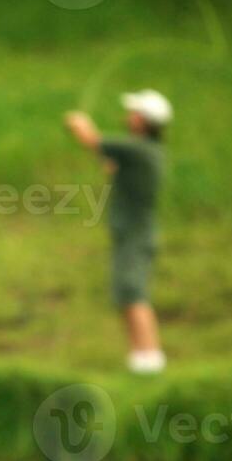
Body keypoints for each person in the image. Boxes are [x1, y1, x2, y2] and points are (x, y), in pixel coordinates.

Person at [64, 90, 171, 374]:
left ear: (143, 121)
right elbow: (112, 166)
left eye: (134, 113)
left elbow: (92, 140)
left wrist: (78, 122)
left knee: (135, 295)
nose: (128, 117)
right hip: (132, 234)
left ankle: (150, 360)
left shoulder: (138, 149)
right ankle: (140, 360)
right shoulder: (145, 153)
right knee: (127, 295)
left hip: (136, 235)